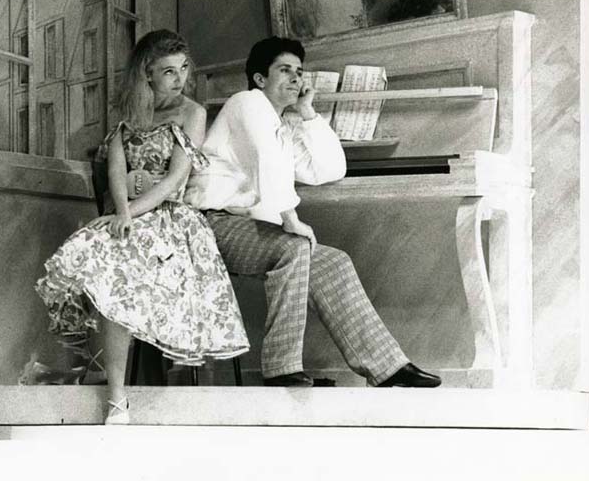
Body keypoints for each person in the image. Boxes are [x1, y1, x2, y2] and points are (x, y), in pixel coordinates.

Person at [185, 36, 441, 389]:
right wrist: (291, 220)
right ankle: (281, 369)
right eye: (284, 70)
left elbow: (329, 169)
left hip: (240, 226)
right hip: (208, 226)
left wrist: (307, 113)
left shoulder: (281, 125)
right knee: (293, 247)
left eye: (299, 71)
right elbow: (267, 160)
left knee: (334, 262)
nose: (295, 78)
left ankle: (386, 368)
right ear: (260, 78)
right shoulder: (246, 102)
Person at [35, 30, 249, 424]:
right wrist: (120, 211)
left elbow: (174, 180)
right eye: (168, 71)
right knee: (89, 254)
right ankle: (114, 392)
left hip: (173, 221)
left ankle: (115, 390)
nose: (180, 78)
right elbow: (117, 171)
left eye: (183, 68)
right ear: (146, 74)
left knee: (119, 270)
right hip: (130, 213)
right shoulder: (129, 114)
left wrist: (129, 213)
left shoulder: (192, 114)